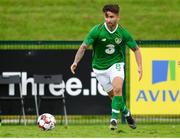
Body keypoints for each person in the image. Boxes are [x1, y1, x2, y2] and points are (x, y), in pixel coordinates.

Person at [70, 4, 142, 130]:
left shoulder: (123, 33)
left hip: (116, 64)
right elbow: (83, 47)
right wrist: (75, 62)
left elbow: (136, 49)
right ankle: (127, 113)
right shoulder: (97, 30)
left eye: (111, 17)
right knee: (114, 97)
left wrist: (140, 66)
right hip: (99, 68)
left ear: (118, 18)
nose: (108, 20)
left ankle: (113, 120)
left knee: (118, 89)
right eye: (106, 17)